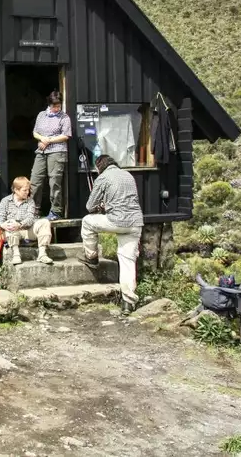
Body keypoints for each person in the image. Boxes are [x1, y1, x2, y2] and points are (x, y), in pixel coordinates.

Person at [77, 155, 143, 314]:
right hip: (135, 222)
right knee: (127, 261)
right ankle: (128, 303)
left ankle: (91, 257)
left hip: (116, 221)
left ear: (99, 167)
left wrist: (99, 207)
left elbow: (89, 206)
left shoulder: (103, 177)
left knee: (87, 222)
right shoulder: (128, 175)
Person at [30, 90, 71, 221]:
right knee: (35, 180)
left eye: (58, 105)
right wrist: (42, 138)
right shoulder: (41, 115)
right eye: (54, 106)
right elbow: (35, 132)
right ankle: (34, 210)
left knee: (54, 182)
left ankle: (55, 211)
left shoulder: (64, 117)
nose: (56, 108)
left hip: (57, 151)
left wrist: (48, 141)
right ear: (49, 104)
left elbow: (66, 135)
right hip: (41, 151)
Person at [0, 177, 54, 265]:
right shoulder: (5, 201)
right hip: (12, 232)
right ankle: (16, 255)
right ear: (16, 190)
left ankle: (42, 254)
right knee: (10, 223)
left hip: (27, 230)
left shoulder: (30, 201)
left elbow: (30, 218)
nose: (27, 192)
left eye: (28, 190)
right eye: (24, 190)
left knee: (45, 222)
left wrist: (19, 224)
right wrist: (3, 225)